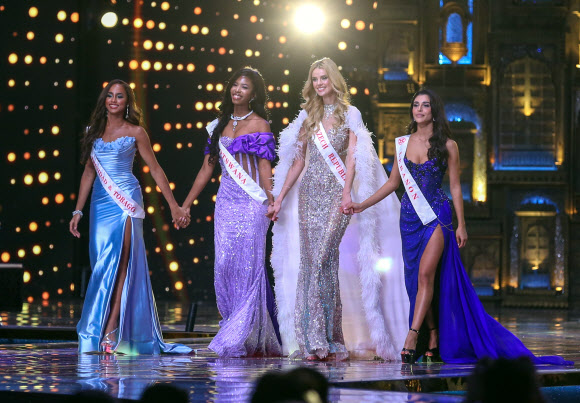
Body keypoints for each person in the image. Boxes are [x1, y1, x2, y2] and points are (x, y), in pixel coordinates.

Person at [344, 88, 572, 366]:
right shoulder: (401, 143)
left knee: (427, 275)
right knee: (417, 281)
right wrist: (361, 204)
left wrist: (461, 224)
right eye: (415, 105)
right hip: (409, 219)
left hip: (437, 217)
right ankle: (434, 337)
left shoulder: (448, 145)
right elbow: (393, 183)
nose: (419, 110)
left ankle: (412, 335)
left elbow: (453, 186)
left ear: (433, 111)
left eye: (425, 106)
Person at [269, 57, 409, 361]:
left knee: (323, 261)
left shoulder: (351, 113)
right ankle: (319, 341)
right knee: (313, 265)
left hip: (336, 195)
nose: (320, 83)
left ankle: (324, 338)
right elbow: (298, 161)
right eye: (315, 79)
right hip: (309, 196)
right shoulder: (309, 116)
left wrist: (347, 193)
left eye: (324, 78)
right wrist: (279, 197)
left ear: (334, 79)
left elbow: (353, 157)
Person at [70, 79, 191, 355]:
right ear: (104, 100)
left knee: (121, 262)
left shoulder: (136, 132)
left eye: (120, 96)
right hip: (100, 205)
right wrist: (78, 209)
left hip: (126, 202)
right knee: (101, 264)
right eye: (110, 96)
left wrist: (173, 205)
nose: (114, 100)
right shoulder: (92, 131)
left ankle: (111, 327)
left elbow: (156, 170)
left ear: (127, 102)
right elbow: (89, 172)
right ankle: (101, 325)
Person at [181, 67, 281, 357]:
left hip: (253, 203)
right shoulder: (217, 126)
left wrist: (272, 200)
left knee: (249, 267)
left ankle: (243, 334)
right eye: (235, 85)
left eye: (245, 87)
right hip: (226, 202)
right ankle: (232, 325)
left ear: (254, 93)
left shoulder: (260, 124)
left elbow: (264, 168)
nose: (238, 90)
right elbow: (206, 169)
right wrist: (186, 204)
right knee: (224, 266)